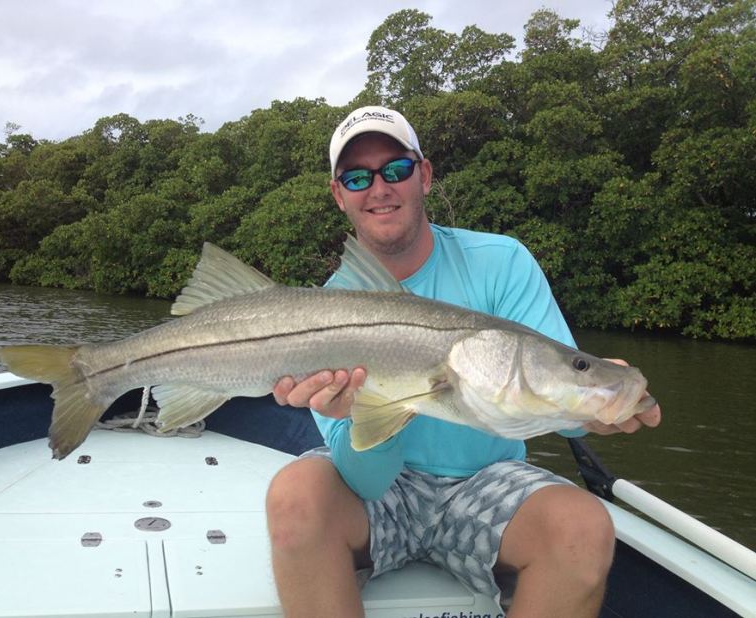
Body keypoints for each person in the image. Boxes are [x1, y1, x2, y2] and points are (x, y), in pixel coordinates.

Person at [265, 105, 661, 618]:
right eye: (358, 178)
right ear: (339, 195)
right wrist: (359, 413)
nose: (379, 188)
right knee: (295, 497)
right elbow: (367, 482)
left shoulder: (502, 262)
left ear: (425, 175)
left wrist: (593, 408)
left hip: (489, 479)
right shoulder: (323, 313)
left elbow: (557, 399)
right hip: (383, 490)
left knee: (583, 529)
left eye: (396, 169)